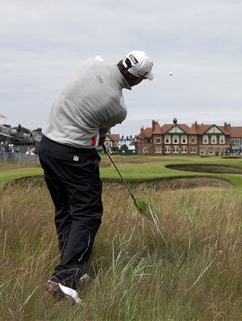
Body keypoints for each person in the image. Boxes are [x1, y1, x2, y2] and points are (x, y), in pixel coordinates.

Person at [39, 50, 154, 303]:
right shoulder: (117, 106)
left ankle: (72, 269)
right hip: (74, 154)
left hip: (47, 146)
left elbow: (92, 115)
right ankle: (64, 280)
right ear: (137, 79)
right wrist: (100, 134)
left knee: (66, 210)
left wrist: (97, 132)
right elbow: (102, 131)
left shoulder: (93, 62)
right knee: (87, 213)